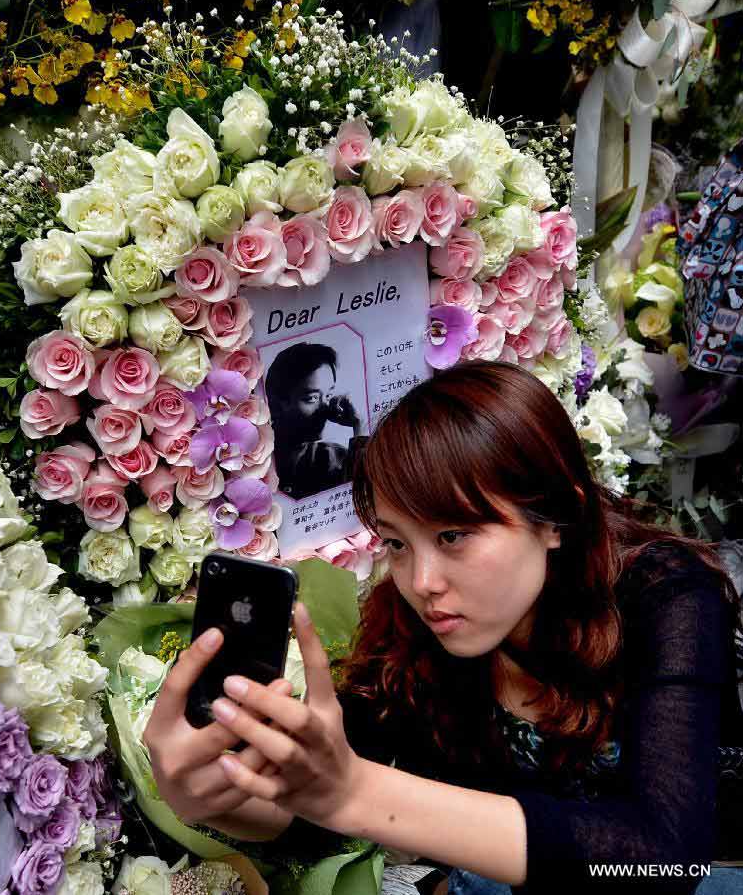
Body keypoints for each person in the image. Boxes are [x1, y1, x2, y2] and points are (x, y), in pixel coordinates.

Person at [143, 361, 743, 894]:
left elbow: (667, 859)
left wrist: (354, 792)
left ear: (555, 520)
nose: (422, 580)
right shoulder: (409, 628)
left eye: (453, 535)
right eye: (397, 543)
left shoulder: (665, 592)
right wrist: (224, 795)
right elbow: (308, 810)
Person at [264, 342, 366, 500]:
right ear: (279, 402)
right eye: (312, 398)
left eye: (328, 395)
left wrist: (359, 425)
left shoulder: (336, 459)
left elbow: (364, 497)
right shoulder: (256, 459)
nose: (325, 407)